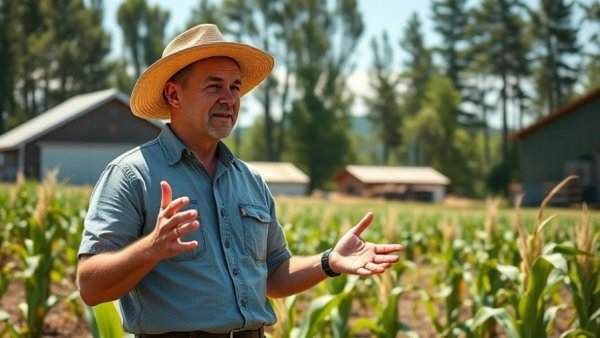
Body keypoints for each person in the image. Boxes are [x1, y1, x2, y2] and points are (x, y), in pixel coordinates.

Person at [77, 23, 403, 338]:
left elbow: (274, 276)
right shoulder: (132, 175)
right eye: (214, 85)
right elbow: (90, 287)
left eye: (235, 87)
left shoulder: (250, 180)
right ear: (174, 95)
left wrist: (329, 261)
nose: (230, 99)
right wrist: (152, 247)